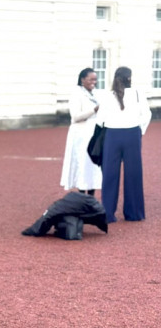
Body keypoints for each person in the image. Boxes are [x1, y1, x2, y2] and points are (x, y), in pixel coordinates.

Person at [98, 66, 152, 223]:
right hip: (132, 135)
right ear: (130, 78)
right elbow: (146, 115)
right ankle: (134, 213)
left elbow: (100, 119)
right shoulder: (137, 94)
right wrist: (139, 131)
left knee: (109, 175)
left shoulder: (108, 96)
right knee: (134, 174)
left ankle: (107, 213)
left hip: (112, 135)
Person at [60, 68, 102, 195]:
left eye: (95, 79)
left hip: (94, 135)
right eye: (91, 79)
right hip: (81, 135)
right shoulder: (76, 94)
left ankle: (91, 198)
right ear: (82, 79)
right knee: (82, 165)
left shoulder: (95, 94)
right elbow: (76, 116)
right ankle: (82, 197)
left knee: (93, 166)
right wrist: (94, 110)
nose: (94, 82)